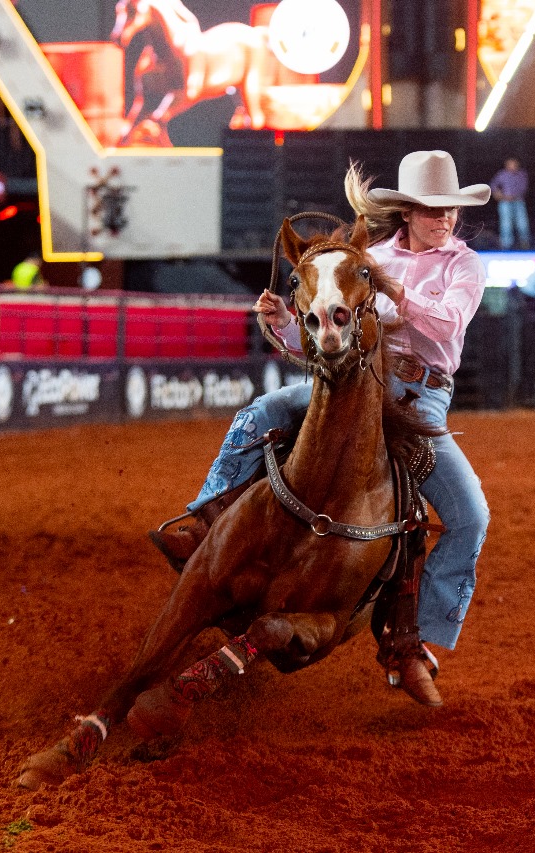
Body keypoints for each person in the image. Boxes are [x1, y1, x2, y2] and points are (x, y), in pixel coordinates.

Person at [149, 150, 492, 708]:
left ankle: (412, 641)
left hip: (419, 395)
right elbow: (321, 339)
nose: (445, 219)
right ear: (407, 211)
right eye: (432, 209)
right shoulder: (365, 259)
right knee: (261, 413)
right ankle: (203, 521)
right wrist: (283, 323)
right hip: (350, 384)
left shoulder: (461, 266)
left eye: (449, 209)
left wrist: (390, 289)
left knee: (470, 514)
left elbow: (450, 321)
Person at [491, 157, 530, 249]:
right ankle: (506, 245)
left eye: (515, 164)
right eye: (511, 164)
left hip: (518, 201)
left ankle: (525, 243)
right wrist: (499, 194)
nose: (513, 166)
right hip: (505, 202)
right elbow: (493, 185)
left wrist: (513, 196)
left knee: (522, 223)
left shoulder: (521, 174)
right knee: (506, 224)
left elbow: (524, 188)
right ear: (507, 165)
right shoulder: (502, 174)